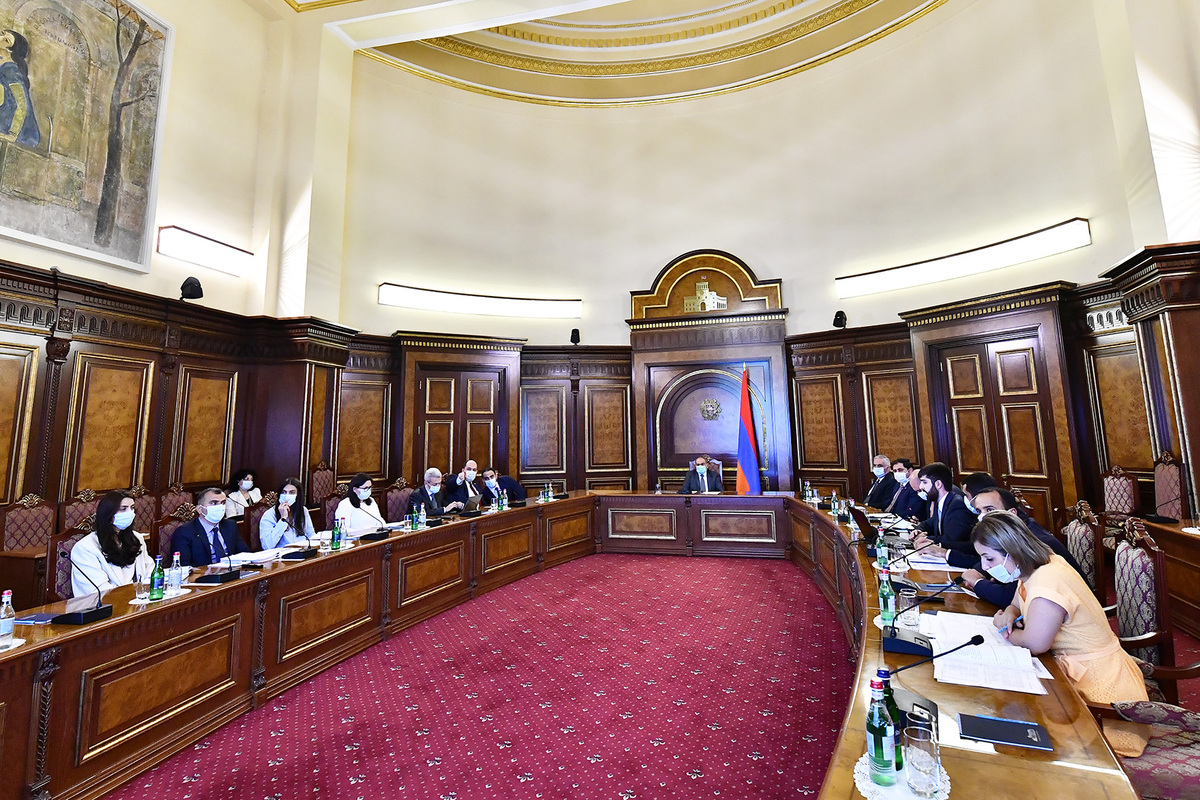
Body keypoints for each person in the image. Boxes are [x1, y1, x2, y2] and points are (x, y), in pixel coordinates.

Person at [974, 511, 1148, 757]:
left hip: (1099, 691)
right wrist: (1010, 613)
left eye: (989, 558)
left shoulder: (1048, 580)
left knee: (1028, 735)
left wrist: (1003, 627)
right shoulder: (1036, 566)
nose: (984, 567)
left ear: (1012, 552)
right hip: (1076, 674)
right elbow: (1016, 602)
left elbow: (1035, 643)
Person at [952, 489, 1086, 607]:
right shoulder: (1009, 535)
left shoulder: (1033, 541)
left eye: (989, 510)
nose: (982, 517)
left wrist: (978, 582)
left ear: (1012, 513)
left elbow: (1009, 597)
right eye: (978, 511)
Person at [70, 490, 154, 597]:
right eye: (123, 509)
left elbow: (150, 571)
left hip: (140, 598)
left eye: (132, 508)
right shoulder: (85, 548)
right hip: (107, 603)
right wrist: (132, 594)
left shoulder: (136, 538)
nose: (130, 513)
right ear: (108, 513)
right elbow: (97, 590)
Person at [171, 487, 248, 567]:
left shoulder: (230, 525)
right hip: (204, 573)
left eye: (223, 503)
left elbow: (244, 553)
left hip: (232, 571)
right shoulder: (184, 532)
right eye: (214, 503)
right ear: (200, 509)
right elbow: (183, 565)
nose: (220, 507)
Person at [912, 462, 975, 559]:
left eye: (924, 482)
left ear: (938, 484)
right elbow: (930, 522)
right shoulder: (941, 501)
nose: (921, 487)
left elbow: (952, 539)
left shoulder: (957, 504)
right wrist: (918, 530)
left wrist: (926, 538)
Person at [0, 29, 40, 148]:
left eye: (6, 41)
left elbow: (22, 105)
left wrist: (12, 135)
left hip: (16, 131)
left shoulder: (10, 70)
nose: (0, 38)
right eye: (2, 34)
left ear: (9, 50)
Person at [260, 478, 317, 549]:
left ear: (298, 495)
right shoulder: (269, 515)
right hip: (282, 554)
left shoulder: (303, 510)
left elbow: (311, 535)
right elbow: (267, 546)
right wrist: (283, 519)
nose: (287, 496)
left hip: (302, 551)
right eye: (283, 492)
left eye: (292, 493)